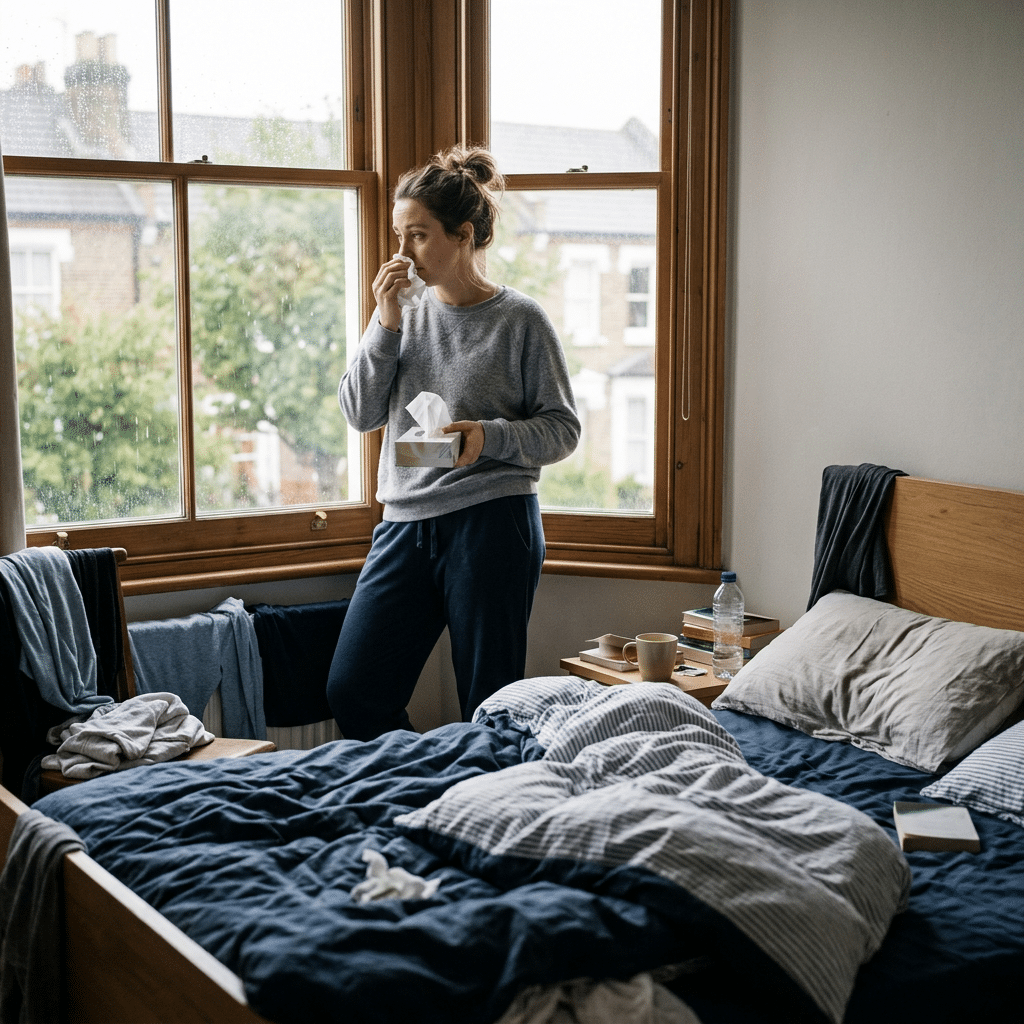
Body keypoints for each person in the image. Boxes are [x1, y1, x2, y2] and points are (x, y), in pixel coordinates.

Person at [327, 145, 581, 740]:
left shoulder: (520, 321)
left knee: (488, 705)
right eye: (398, 235)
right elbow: (361, 414)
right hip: (405, 523)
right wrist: (385, 324)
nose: (401, 252)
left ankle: (478, 814)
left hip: (492, 525)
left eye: (417, 236)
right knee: (354, 689)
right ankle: (420, 783)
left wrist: (487, 437)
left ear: (463, 235)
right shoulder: (399, 314)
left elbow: (562, 429)